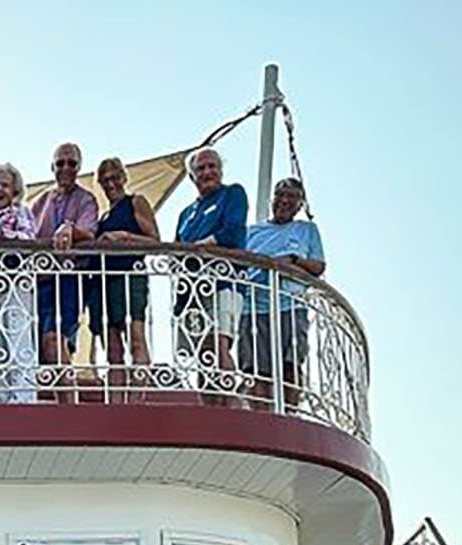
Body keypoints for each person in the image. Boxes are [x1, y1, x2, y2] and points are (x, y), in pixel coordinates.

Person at [240, 178, 325, 412]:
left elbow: (318, 266)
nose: (284, 201)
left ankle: (289, 415)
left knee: (291, 363)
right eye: (280, 195)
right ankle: (261, 417)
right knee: (256, 368)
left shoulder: (306, 230)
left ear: (300, 204)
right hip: (253, 306)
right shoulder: (252, 232)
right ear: (273, 199)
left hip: (290, 304)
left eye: (292, 197)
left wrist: (293, 260)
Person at [173, 148, 247, 398]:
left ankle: (232, 405)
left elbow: (233, 232)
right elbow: (176, 249)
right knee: (203, 353)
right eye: (201, 169)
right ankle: (209, 406)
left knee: (219, 343)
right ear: (192, 177)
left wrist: (201, 246)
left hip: (223, 281)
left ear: (221, 170)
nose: (207, 172)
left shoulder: (232, 194)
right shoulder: (186, 213)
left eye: (212, 166)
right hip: (191, 289)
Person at [31, 143, 99, 393]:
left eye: (72, 163)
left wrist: (70, 228)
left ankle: (69, 405)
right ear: (52, 167)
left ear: (79, 167)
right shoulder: (39, 202)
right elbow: (27, 234)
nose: (66, 168)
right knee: (38, 349)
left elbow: (89, 231)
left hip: (69, 280)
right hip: (39, 282)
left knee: (55, 339)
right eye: (60, 163)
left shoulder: (86, 199)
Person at [93, 157, 159, 387]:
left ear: (124, 177)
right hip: (103, 283)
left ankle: (139, 397)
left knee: (136, 338)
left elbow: (155, 241)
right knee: (112, 349)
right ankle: (117, 400)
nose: (110, 184)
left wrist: (124, 236)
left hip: (130, 276)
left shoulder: (136, 202)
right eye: (105, 180)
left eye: (115, 178)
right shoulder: (103, 217)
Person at [0, 163, 41, 404]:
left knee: (18, 342)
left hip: (14, 286)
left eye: (4, 185)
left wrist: (0, 234)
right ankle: (1, 400)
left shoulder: (20, 212)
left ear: (15, 191)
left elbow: (29, 239)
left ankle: (23, 400)